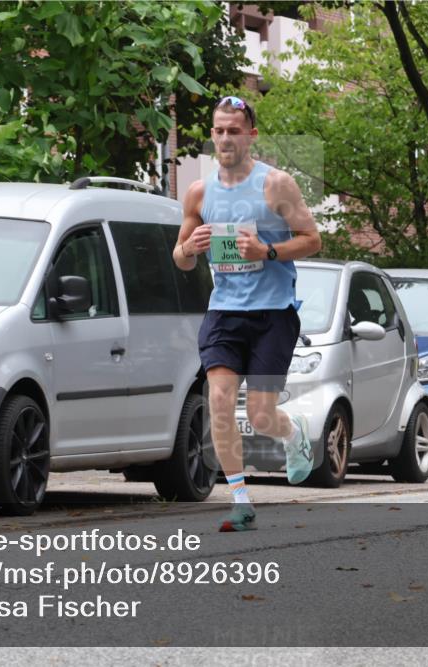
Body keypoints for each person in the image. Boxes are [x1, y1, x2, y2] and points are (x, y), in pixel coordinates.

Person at [173, 95, 322, 531]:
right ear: (212, 135)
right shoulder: (199, 192)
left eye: (234, 131)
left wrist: (267, 251)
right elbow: (180, 258)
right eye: (219, 131)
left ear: (251, 135)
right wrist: (189, 248)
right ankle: (240, 500)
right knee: (219, 400)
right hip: (224, 312)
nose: (225, 138)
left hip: (273, 314)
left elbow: (312, 240)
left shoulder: (276, 184)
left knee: (260, 415)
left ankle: (292, 433)